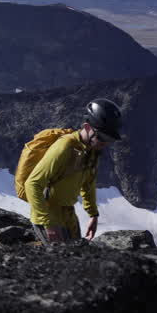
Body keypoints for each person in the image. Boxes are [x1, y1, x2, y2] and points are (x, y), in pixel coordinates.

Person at [25, 98, 123, 244]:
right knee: (60, 261)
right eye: (102, 137)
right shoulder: (64, 147)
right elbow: (32, 184)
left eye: (109, 140)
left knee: (76, 258)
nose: (104, 144)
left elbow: (88, 184)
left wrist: (93, 215)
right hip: (48, 214)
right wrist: (47, 223)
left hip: (68, 214)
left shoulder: (92, 151)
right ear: (87, 127)